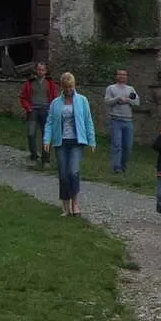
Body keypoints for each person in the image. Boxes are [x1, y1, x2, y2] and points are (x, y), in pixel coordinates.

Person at [43, 71, 96, 217]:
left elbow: (88, 121)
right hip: (61, 142)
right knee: (63, 174)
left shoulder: (82, 101)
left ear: (74, 85)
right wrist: (47, 140)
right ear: (62, 87)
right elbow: (49, 122)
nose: (68, 90)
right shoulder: (55, 103)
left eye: (71, 87)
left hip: (76, 141)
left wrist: (92, 140)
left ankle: (75, 202)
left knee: (73, 171)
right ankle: (65, 205)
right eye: (66, 87)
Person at [18, 61, 58, 165]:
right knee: (31, 133)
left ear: (46, 71)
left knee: (46, 135)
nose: (40, 72)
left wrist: (51, 109)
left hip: (46, 110)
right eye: (39, 69)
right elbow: (23, 98)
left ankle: (46, 159)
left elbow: (55, 98)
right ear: (36, 70)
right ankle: (34, 155)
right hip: (33, 110)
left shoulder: (50, 83)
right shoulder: (29, 83)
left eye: (42, 70)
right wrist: (28, 108)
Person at [104, 68, 140, 173]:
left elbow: (137, 102)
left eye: (124, 74)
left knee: (128, 145)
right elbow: (107, 101)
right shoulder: (111, 88)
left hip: (128, 121)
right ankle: (116, 167)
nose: (122, 76)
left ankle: (123, 165)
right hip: (116, 120)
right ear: (116, 76)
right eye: (120, 74)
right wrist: (117, 99)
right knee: (116, 144)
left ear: (127, 77)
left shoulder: (130, 89)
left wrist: (127, 100)